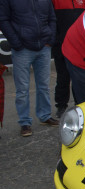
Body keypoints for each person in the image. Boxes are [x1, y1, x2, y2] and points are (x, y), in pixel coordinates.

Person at [0, 0, 59, 137]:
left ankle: (45, 116)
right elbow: (3, 20)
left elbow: (52, 18)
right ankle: (24, 122)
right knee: (22, 89)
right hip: (22, 49)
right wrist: (16, 43)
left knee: (44, 85)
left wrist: (50, 39)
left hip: (44, 47)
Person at [52, 0, 85, 118]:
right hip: (61, 45)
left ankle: (79, 104)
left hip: (79, 46)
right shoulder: (55, 1)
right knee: (63, 77)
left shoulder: (83, 1)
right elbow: (51, 21)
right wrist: (56, 41)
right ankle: (61, 105)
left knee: (78, 77)